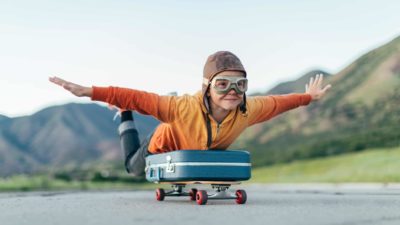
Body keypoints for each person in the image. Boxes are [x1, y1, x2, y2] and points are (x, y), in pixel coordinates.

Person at [49, 51, 332, 176]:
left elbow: (279, 102)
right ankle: (124, 117)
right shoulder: (182, 107)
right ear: (207, 87)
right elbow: (137, 97)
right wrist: (91, 92)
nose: (233, 91)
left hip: (195, 155)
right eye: (223, 84)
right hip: (161, 147)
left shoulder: (248, 109)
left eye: (240, 84)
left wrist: (308, 97)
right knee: (132, 169)